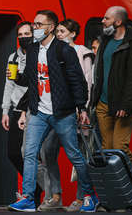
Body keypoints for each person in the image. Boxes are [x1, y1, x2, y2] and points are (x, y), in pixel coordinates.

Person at [8, 10, 99, 212]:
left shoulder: (63, 50)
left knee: (74, 155)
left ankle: (89, 195)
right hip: (39, 112)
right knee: (30, 153)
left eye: (39, 25)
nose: (35, 28)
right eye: (34, 24)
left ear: (50, 27)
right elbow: (31, 80)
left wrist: (81, 107)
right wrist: (16, 78)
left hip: (62, 113)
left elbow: (78, 81)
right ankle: (28, 198)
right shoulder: (32, 50)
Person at [35, 19, 95, 212]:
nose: (59, 34)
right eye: (58, 31)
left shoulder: (82, 53)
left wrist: (82, 109)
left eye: (62, 31)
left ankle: (83, 197)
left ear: (73, 34)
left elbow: (85, 82)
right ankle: (55, 194)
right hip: (56, 111)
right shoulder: (52, 51)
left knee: (76, 155)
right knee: (48, 151)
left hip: (74, 112)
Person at [91, 6, 132, 189]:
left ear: (118, 22)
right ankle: (116, 193)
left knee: (120, 149)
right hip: (103, 104)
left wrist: (126, 104)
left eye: (106, 18)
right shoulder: (105, 42)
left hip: (122, 106)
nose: (103, 21)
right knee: (107, 151)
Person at [1, 21, 43, 207]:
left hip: (33, 110)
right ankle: (37, 187)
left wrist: (25, 111)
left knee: (30, 153)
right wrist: (5, 110)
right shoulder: (13, 57)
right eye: (20, 34)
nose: (23, 37)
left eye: (27, 34)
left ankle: (35, 192)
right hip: (17, 109)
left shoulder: (38, 56)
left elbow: (34, 85)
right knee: (13, 153)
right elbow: (9, 84)